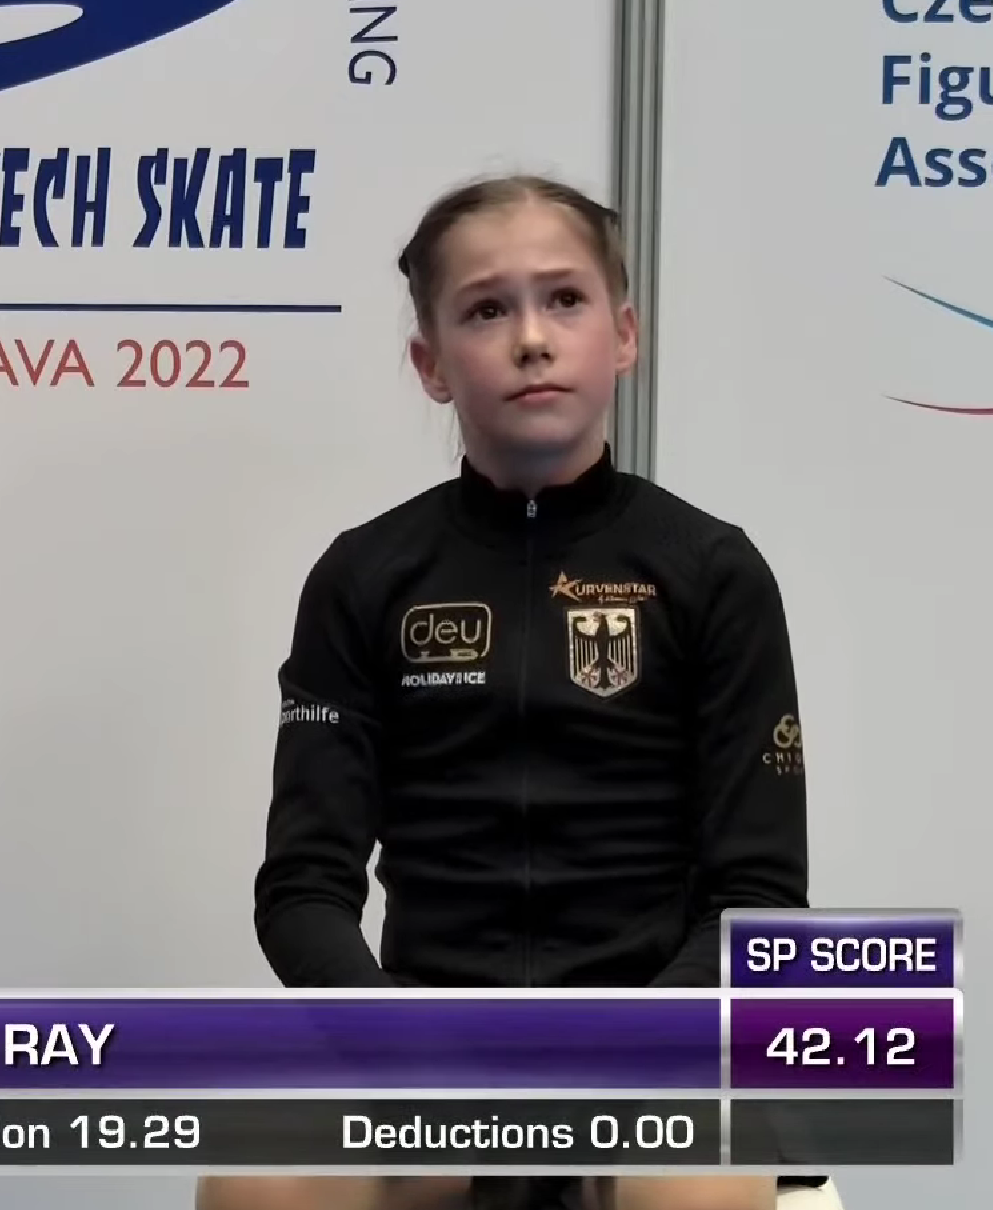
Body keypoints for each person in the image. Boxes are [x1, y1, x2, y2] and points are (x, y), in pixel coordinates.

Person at [196, 176, 825, 1210]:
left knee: (692, 1194)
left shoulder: (711, 572)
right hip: (425, 1050)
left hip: (653, 1046)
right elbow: (302, 889)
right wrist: (398, 1046)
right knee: (259, 1185)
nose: (531, 338)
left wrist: (628, 1058)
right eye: (486, 309)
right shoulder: (363, 576)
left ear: (623, 335)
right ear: (430, 364)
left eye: (564, 299)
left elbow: (756, 899)